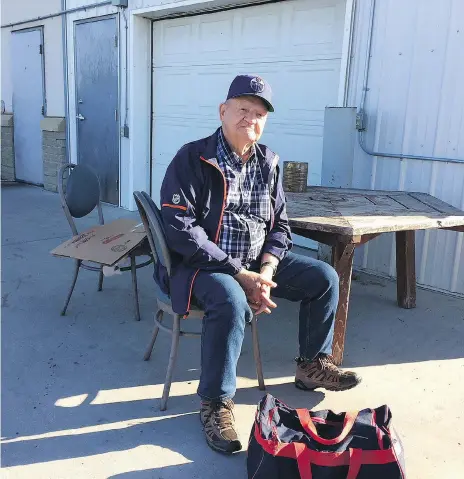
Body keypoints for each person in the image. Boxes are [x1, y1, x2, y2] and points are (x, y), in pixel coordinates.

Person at [158, 74, 361, 455]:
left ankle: (311, 366)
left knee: (324, 277)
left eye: (259, 113)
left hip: (255, 264)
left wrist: (266, 271)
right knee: (231, 300)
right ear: (223, 111)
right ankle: (216, 403)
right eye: (242, 109)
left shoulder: (268, 162)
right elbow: (180, 229)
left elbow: (280, 226)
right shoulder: (192, 158)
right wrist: (239, 273)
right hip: (203, 266)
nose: (250, 118)